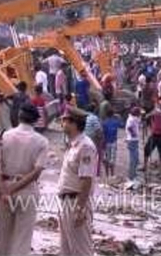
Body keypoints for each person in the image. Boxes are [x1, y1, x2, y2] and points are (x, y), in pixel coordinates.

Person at [0, 104, 49, 256]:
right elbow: (36, 172)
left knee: (4, 235)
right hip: (27, 190)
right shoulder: (41, 141)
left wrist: (3, 190)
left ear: (18, 117)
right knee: (22, 237)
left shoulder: (3, 136)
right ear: (36, 121)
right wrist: (14, 188)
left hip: (4, 186)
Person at [58, 109, 97, 256]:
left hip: (76, 202)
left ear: (74, 124)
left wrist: (80, 209)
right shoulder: (73, 145)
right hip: (66, 201)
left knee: (81, 250)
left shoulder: (85, 146)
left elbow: (86, 180)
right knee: (66, 249)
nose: (62, 123)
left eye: (65, 120)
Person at [144, 103, 161, 170]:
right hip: (154, 135)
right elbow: (147, 116)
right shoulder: (156, 114)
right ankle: (145, 166)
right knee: (147, 150)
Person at [102, 109, 122, 178]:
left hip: (106, 142)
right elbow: (122, 125)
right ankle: (112, 174)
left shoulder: (104, 123)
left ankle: (107, 175)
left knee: (107, 159)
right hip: (113, 142)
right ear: (113, 114)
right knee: (112, 160)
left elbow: (103, 134)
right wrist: (119, 117)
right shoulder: (116, 122)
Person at [125, 107, 142, 181]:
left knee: (136, 158)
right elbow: (129, 128)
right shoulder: (131, 119)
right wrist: (134, 134)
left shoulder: (134, 118)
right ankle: (131, 176)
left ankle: (134, 174)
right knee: (133, 159)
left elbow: (139, 120)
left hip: (134, 140)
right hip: (132, 140)